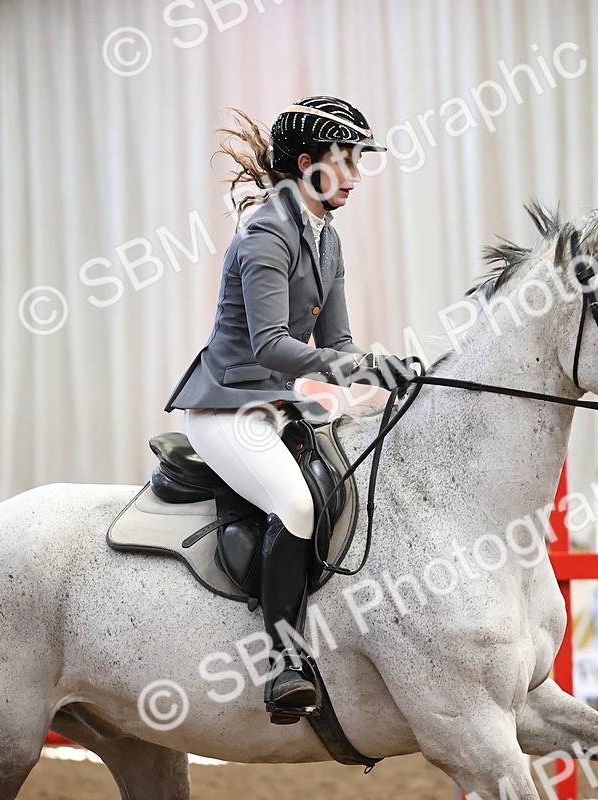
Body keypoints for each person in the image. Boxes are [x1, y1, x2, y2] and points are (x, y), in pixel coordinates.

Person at [164, 96, 414, 722]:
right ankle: (282, 662)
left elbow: (337, 342)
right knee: (296, 503)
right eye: (346, 161)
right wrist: (353, 368)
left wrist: (378, 367)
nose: (356, 176)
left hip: (278, 399)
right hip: (226, 406)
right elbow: (270, 345)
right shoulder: (266, 236)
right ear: (307, 164)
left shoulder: (326, 238)